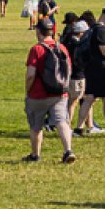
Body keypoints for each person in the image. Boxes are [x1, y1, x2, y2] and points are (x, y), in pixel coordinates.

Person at [22, 17, 75, 165]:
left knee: (36, 126)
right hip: (59, 92)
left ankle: (35, 154)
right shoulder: (62, 48)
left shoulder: (36, 49)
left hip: (38, 94)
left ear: (38, 31)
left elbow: (31, 74)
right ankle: (68, 150)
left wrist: (28, 90)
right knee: (61, 121)